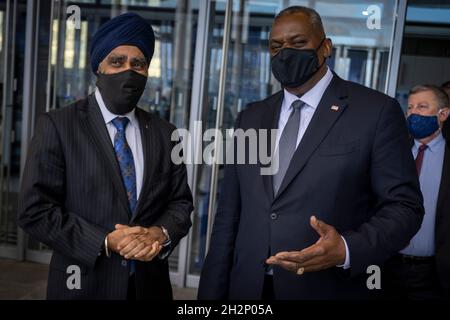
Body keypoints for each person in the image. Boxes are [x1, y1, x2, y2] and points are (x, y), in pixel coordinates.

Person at [198, 6, 423, 300]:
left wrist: (345, 247)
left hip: (325, 288)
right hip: (248, 287)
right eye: (276, 46)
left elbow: (405, 207)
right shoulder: (251, 117)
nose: (285, 52)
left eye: (298, 42)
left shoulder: (376, 112)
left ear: (325, 47)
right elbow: (229, 215)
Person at [18, 13, 193, 300]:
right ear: (98, 67)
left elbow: (180, 202)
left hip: (149, 288)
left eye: (138, 64)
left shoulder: (166, 133)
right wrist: (105, 240)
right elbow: (35, 210)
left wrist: (159, 233)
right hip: (83, 286)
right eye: (117, 62)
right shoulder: (59, 125)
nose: (128, 71)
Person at [384, 85, 450, 299]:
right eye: (410, 107)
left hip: (433, 271)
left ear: (444, 113)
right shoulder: (392, 152)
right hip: (386, 264)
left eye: (422, 106)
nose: (413, 113)